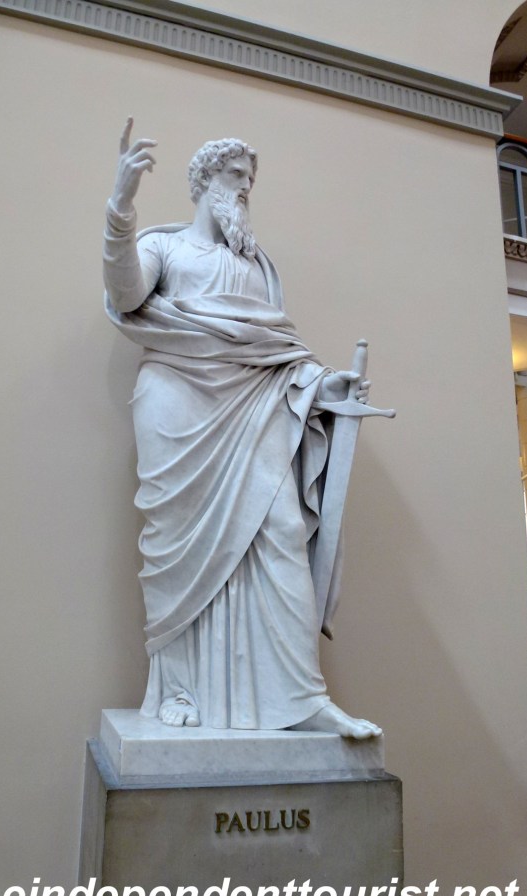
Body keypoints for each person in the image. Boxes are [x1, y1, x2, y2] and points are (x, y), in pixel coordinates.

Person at [103, 117, 381, 739]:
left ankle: (303, 697)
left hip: (253, 407)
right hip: (176, 404)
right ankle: (178, 688)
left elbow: (276, 353)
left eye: (250, 179)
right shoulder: (165, 249)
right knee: (175, 546)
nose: (245, 187)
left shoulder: (257, 268)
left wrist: (323, 386)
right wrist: (121, 207)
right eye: (235, 175)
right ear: (205, 182)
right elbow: (125, 296)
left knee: (281, 531)